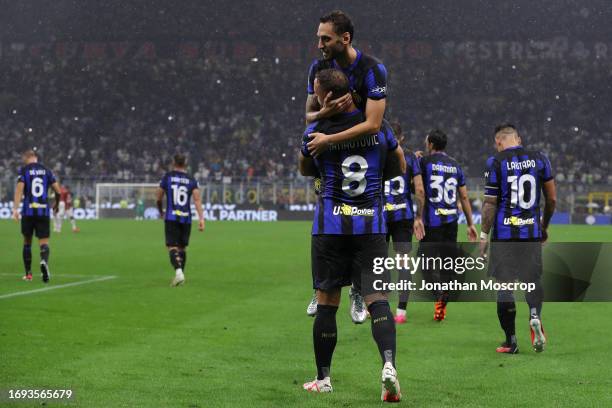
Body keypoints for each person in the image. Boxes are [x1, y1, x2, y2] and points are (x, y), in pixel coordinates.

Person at [299, 68, 405, 402]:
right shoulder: (377, 126)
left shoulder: (318, 128)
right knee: (378, 301)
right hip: (371, 226)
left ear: (327, 96)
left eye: (316, 92)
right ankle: (388, 366)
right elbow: (399, 165)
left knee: (327, 302)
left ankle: (323, 378)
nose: (314, 97)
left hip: (330, 227)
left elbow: (304, 168)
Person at [305, 9, 389, 321]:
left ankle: (357, 288)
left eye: (325, 39)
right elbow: (308, 115)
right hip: (331, 142)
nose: (319, 45)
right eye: (318, 38)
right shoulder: (318, 67)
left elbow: (374, 125)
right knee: (324, 206)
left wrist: (330, 139)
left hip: (362, 144)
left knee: (364, 212)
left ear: (345, 38)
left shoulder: (372, 69)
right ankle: (321, 289)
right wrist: (322, 113)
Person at [480, 124, 556, 354]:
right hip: (530, 233)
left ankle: (510, 341)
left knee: (504, 288)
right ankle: (534, 315)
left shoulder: (496, 162)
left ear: (498, 142)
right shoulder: (540, 159)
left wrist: (484, 234)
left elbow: (490, 204)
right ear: (519, 139)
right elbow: (551, 199)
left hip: (505, 236)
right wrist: (543, 226)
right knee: (532, 281)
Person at [418, 129, 478, 320]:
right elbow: (465, 196)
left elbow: (419, 189)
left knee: (425, 263)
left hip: (432, 222)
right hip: (451, 222)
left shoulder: (424, 162)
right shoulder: (455, 165)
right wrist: (470, 224)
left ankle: (438, 295)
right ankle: (442, 301)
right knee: (446, 265)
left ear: (431, 145)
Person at [383, 122, 425, 324]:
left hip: (380, 216)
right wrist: (419, 217)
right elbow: (420, 190)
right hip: (403, 216)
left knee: (378, 261)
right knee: (403, 263)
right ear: (403, 137)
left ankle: (378, 306)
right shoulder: (409, 157)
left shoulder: (378, 153)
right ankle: (401, 311)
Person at [12, 150, 62, 282]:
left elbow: (19, 189)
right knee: (44, 242)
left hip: (28, 211)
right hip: (43, 211)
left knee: (27, 242)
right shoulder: (46, 170)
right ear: (36, 158)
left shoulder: (24, 171)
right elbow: (58, 190)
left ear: (27, 157)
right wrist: (56, 204)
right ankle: (44, 262)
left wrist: (15, 209)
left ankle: (28, 274)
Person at [156, 154, 205, 286]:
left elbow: (159, 197)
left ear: (173, 162)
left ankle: (178, 273)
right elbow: (197, 199)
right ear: (186, 163)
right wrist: (201, 219)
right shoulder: (191, 180)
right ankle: (181, 275)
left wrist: (161, 211)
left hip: (172, 216)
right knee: (182, 248)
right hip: (186, 219)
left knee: (172, 247)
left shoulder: (168, 177)